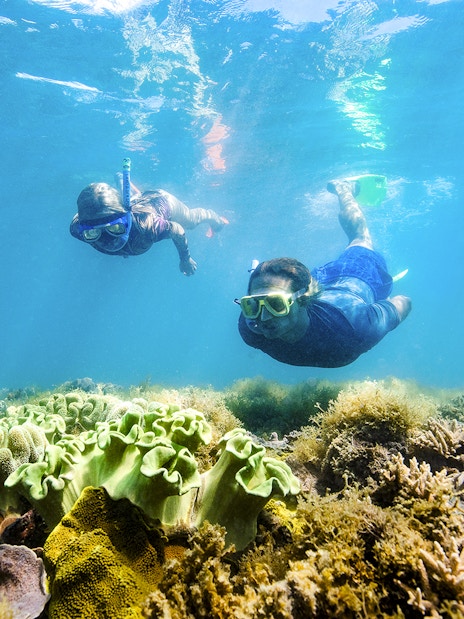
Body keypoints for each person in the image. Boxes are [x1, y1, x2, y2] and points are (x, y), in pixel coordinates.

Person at [236, 178, 411, 367]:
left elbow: (404, 302)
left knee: (360, 238)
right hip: (318, 280)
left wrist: (383, 309)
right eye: (252, 305)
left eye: (275, 304)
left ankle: (345, 189)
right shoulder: (250, 328)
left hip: (357, 274)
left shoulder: (354, 326)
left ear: (304, 299)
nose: (263, 318)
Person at [70, 182, 228, 275]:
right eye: (93, 232)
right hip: (136, 206)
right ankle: (133, 196)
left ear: (126, 217)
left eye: (116, 228)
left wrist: (184, 259)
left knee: (191, 221)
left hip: (161, 201)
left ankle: (215, 218)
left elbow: (178, 230)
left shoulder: (148, 226)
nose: (108, 240)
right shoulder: (77, 229)